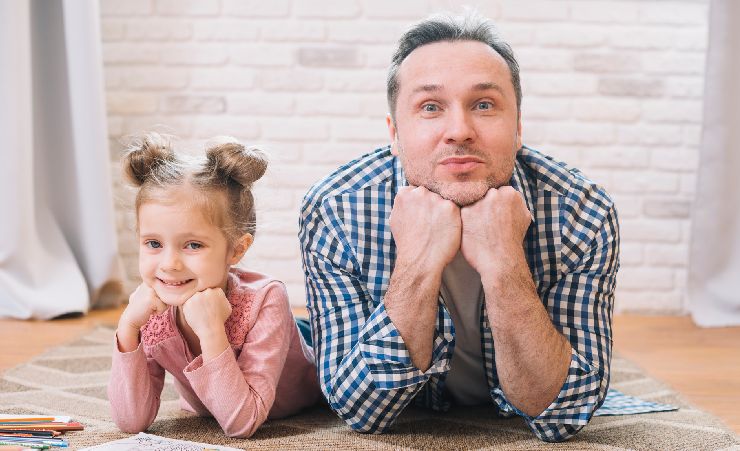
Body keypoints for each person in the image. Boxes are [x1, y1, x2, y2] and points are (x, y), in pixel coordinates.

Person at [299, 12, 619, 443]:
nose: (459, 131)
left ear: (519, 127)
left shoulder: (583, 214)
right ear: (394, 133)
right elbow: (360, 411)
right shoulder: (334, 210)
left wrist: (505, 265)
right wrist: (417, 262)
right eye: (430, 107)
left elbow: (564, 412)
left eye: (483, 105)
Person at [108, 133, 320, 438]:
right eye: (153, 243)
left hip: (304, 361)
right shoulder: (152, 311)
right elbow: (131, 422)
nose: (169, 264)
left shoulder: (267, 298)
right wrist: (128, 327)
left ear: (236, 249)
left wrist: (210, 331)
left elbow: (242, 422)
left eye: (193, 245)